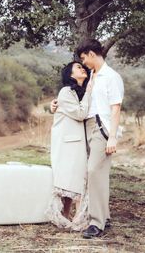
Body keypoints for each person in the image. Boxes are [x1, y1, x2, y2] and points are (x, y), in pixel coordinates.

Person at [51, 39, 124, 238]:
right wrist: (54, 105)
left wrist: (112, 138)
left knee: (93, 171)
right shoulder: (92, 76)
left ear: (92, 54)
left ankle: (96, 223)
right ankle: (105, 217)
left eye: (84, 58)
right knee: (98, 173)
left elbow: (115, 108)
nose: (84, 63)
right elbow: (75, 100)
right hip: (87, 129)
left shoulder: (111, 77)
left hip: (101, 128)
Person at [45, 61, 93, 231]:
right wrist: (87, 93)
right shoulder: (67, 91)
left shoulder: (77, 92)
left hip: (75, 142)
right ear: (71, 75)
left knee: (73, 180)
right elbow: (80, 114)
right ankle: (77, 220)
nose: (82, 68)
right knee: (74, 180)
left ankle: (68, 216)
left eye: (83, 66)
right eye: (78, 67)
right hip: (68, 143)